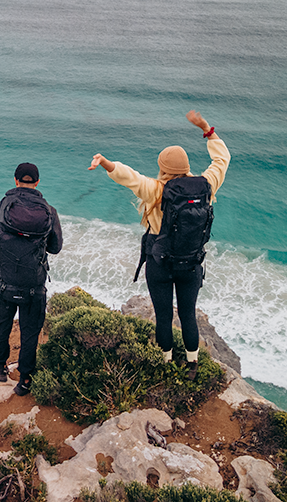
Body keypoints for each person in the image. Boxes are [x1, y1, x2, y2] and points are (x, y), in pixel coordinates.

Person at [88, 110, 230, 377]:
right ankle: (192, 364)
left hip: (160, 262)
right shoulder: (207, 186)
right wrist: (207, 129)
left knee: (163, 315)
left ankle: (165, 364)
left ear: (163, 168)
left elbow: (129, 177)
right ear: (186, 167)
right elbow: (222, 159)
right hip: (191, 264)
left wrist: (106, 162)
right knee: (188, 314)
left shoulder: (156, 190)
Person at [0, 162, 63, 396]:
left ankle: (0, 368)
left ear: (16, 180)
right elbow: (55, 248)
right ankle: (25, 380)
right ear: (37, 183)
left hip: (2, 283)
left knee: (1, 326)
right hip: (34, 286)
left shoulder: (0, 207)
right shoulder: (49, 211)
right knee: (29, 332)